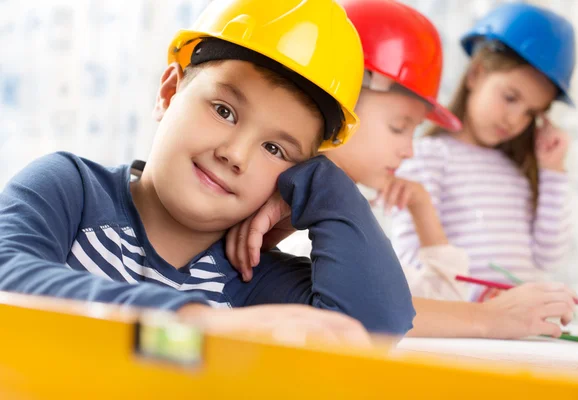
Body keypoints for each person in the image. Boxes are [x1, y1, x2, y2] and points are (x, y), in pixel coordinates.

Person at [0, 0, 417, 345]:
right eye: (224, 111)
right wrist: (197, 322)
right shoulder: (71, 191)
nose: (235, 154)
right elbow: (8, 277)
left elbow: (372, 331)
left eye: (275, 149)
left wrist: (322, 185)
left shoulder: (250, 279)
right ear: (169, 93)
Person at [229, 0, 575, 339]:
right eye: (399, 126)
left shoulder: (323, 202)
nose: (409, 150)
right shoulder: (275, 194)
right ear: (340, 101)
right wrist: (486, 318)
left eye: (531, 112)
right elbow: (378, 312)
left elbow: (380, 305)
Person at [389, 3, 574, 302]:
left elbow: (548, 257)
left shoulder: (516, 170)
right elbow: (412, 260)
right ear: (475, 74)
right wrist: (476, 296)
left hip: (516, 325)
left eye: (531, 112)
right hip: (465, 323)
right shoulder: (428, 156)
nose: (515, 119)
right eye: (511, 97)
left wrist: (553, 170)